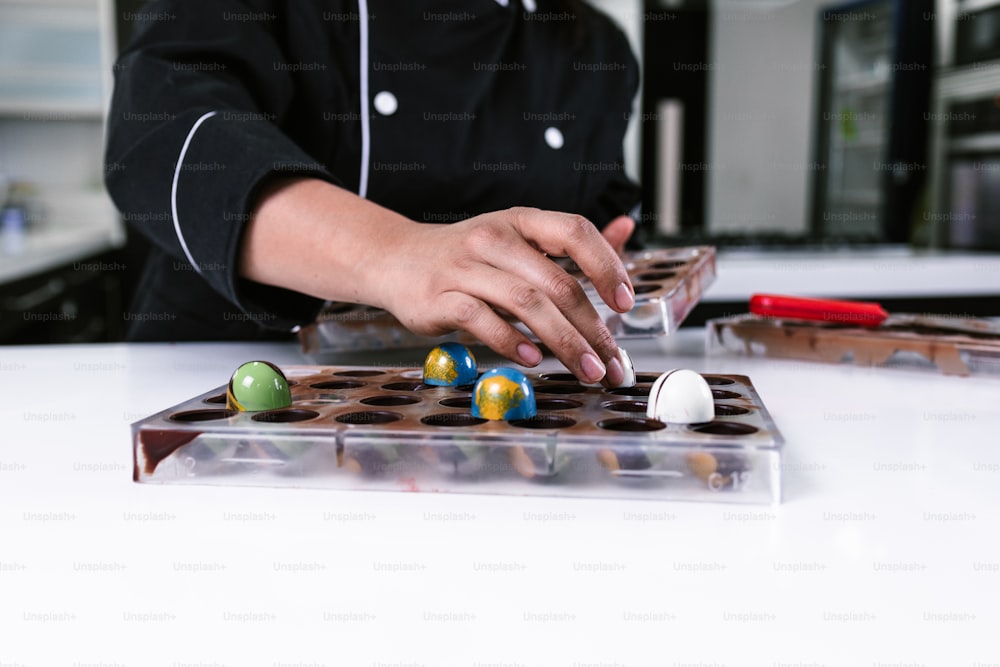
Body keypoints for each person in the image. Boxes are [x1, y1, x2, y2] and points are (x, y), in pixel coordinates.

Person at [104, 0, 642, 386]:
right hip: (232, 383)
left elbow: (596, 203)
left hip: (498, 397)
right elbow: (162, 134)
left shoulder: (595, 48)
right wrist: (390, 251)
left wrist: (587, 264)